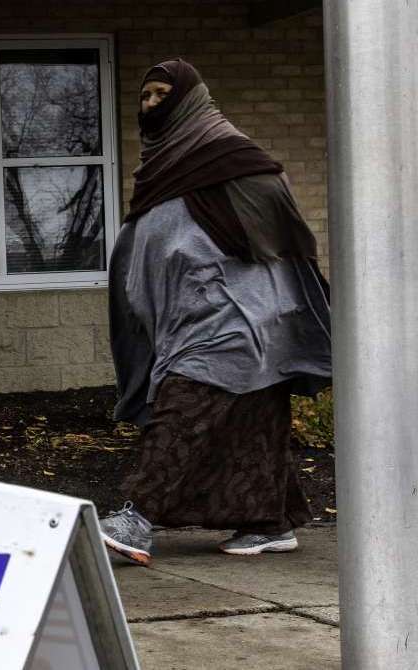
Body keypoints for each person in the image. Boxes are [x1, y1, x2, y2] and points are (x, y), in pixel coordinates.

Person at [100, 58, 332, 566]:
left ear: (190, 100)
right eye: (146, 96)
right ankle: (270, 523)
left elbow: (279, 225)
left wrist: (220, 268)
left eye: (163, 95)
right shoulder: (164, 164)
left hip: (236, 315)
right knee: (254, 422)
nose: (152, 104)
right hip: (195, 317)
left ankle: (136, 518)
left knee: (184, 408)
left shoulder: (230, 156)